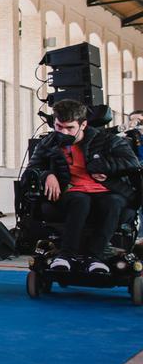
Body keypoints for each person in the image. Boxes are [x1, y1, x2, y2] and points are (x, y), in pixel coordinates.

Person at [26, 100, 140, 273]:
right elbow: (32, 169)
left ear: (83, 124)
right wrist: (47, 175)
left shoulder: (107, 140)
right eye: (59, 126)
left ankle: (95, 257)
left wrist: (103, 167)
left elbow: (131, 163)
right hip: (72, 191)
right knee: (79, 200)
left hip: (107, 191)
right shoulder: (49, 142)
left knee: (113, 203)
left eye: (70, 128)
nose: (63, 132)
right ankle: (66, 255)